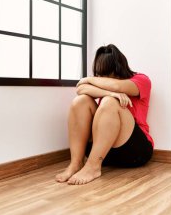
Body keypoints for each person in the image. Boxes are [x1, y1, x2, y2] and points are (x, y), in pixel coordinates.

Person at [55, 44, 154, 185]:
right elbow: (81, 89)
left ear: (118, 68)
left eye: (105, 73)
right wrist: (110, 93)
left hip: (134, 150)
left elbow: (117, 86)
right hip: (103, 150)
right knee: (81, 101)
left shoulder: (141, 80)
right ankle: (76, 163)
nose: (101, 78)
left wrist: (91, 81)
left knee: (110, 102)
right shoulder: (104, 85)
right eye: (98, 74)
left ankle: (93, 167)